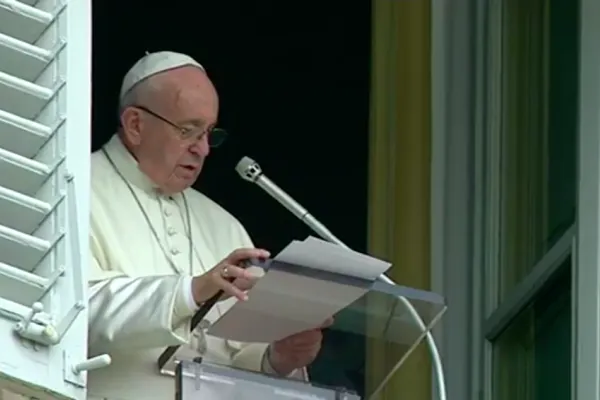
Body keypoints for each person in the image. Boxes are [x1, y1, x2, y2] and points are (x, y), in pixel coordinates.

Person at [86, 51, 329, 400]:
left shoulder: (224, 225)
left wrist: (277, 359)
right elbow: (73, 311)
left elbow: (237, 354)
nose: (202, 149)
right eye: (188, 131)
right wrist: (190, 292)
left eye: (209, 134)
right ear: (136, 124)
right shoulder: (72, 190)